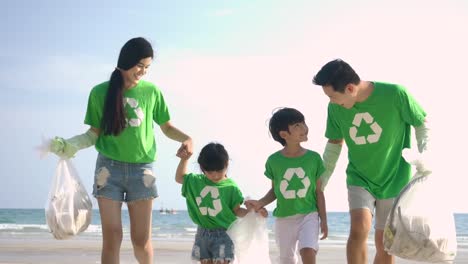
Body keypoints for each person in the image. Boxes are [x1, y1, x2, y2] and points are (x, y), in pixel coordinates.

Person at [48, 37, 193, 264]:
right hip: (108, 170)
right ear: (126, 61)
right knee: (112, 237)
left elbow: (166, 127)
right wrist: (70, 145)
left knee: (141, 240)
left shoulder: (152, 92)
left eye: (147, 67)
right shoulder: (99, 93)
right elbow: (92, 134)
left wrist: (187, 138)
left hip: (142, 171)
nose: (143, 71)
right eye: (140, 66)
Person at [312, 59, 429, 264]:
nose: (331, 101)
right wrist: (322, 180)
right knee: (359, 227)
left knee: (385, 241)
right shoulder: (336, 109)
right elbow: (334, 144)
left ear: (350, 88)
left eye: (332, 96)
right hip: (359, 176)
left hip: (395, 178)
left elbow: (421, 122)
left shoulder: (395, 94)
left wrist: (426, 156)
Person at [246, 108, 328, 264]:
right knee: (286, 259)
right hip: (284, 219)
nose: (304, 127)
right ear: (284, 134)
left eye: (303, 123)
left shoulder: (314, 158)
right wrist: (260, 203)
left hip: (309, 215)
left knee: (308, 251)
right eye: (297, 125)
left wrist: (323, 219)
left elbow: (319, 191)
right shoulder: (274, 161)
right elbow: (275, 191)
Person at [175, 142, 267, 264]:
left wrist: (254, 213)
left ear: (227, 164)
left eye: (219, 170)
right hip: (202, 233)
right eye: (210, 172)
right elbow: (179, 178)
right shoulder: (195, 181)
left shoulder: (231, 187)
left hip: (224, 233)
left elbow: (237, 210)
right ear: (202, 168)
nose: (215, 175)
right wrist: (184, 159)